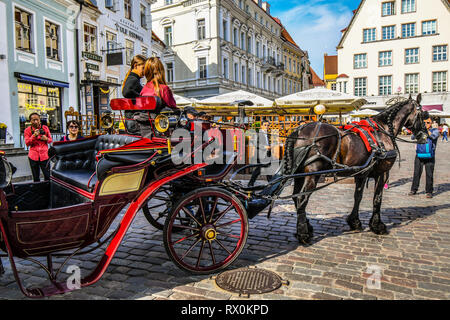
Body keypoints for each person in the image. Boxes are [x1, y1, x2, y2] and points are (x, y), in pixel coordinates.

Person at [409, 116, 439, 198]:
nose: (426, 124)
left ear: (432, 123)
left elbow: (433, 136)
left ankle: (429, 191)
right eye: (424, 122)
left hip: (430, 155)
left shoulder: (435, 131)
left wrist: (426, 131)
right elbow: (412, 137)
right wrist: (417, 130)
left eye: (428, 122)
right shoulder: (420, 130)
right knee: (416, 173)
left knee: (429, 174)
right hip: (419, 155)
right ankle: (414, 189)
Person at [24, 113, 52, 182]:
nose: (36, 121)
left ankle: (47, 191)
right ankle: (37, 192)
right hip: (33, 156)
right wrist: (34, 135)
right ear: (30, 121)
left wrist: (46, 139)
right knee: (36, 178)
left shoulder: (45, 128)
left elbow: (50, 140)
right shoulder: (27, 130)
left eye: (37, 119)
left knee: (47, 176)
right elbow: (27, 143)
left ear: (40, 120)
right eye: (34, 120)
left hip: (45, 156)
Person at [249, 120, 272, 186]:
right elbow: (255, 143)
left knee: (267, 169)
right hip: (260, 154)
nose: (266, 127)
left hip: (266, 154)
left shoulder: (267, 134)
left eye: (268, 125)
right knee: (259, 170)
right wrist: (265, 147)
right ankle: (251, 183)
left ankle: (270, 183)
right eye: (265, 125)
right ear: (261, 126)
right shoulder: (258, 133)